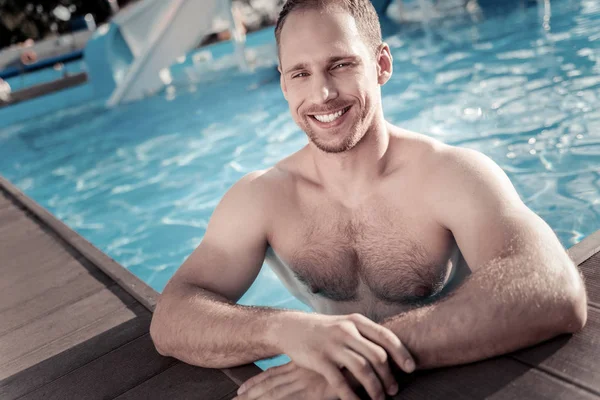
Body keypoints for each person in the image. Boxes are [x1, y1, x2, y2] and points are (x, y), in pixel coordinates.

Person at [149, 1, 588, 399]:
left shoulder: (450, 174)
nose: (321, 94)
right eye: (299, 73)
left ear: (381, 65)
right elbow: (171, 318)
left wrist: (356, 358)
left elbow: (553, 287)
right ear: (283, 85)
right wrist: (287, 331)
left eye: (340, 64)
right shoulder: (263, 197)